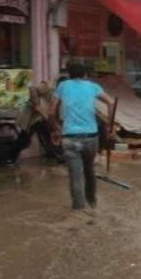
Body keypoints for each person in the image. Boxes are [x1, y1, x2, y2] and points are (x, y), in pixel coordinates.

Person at [50, 62, 116, 212]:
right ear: (85, 74)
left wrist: (55, 129)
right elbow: (111, 103)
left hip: (69, 138)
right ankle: (92, 204)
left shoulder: (63, 86)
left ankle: (78, 210)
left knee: (75, 176)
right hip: (91, 137)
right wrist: (109, 126)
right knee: (89, 170)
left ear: (69, 74)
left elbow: (51, 113)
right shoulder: (93, 87)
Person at [8, 79, 57, 165]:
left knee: (48, 135)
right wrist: (45, 116)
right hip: (30, 120)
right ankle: (11, 158)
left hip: (39, 119)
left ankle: (58, 156)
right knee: (24, 139)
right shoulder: (35, 92)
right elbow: (37, 108)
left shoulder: (50, 93)